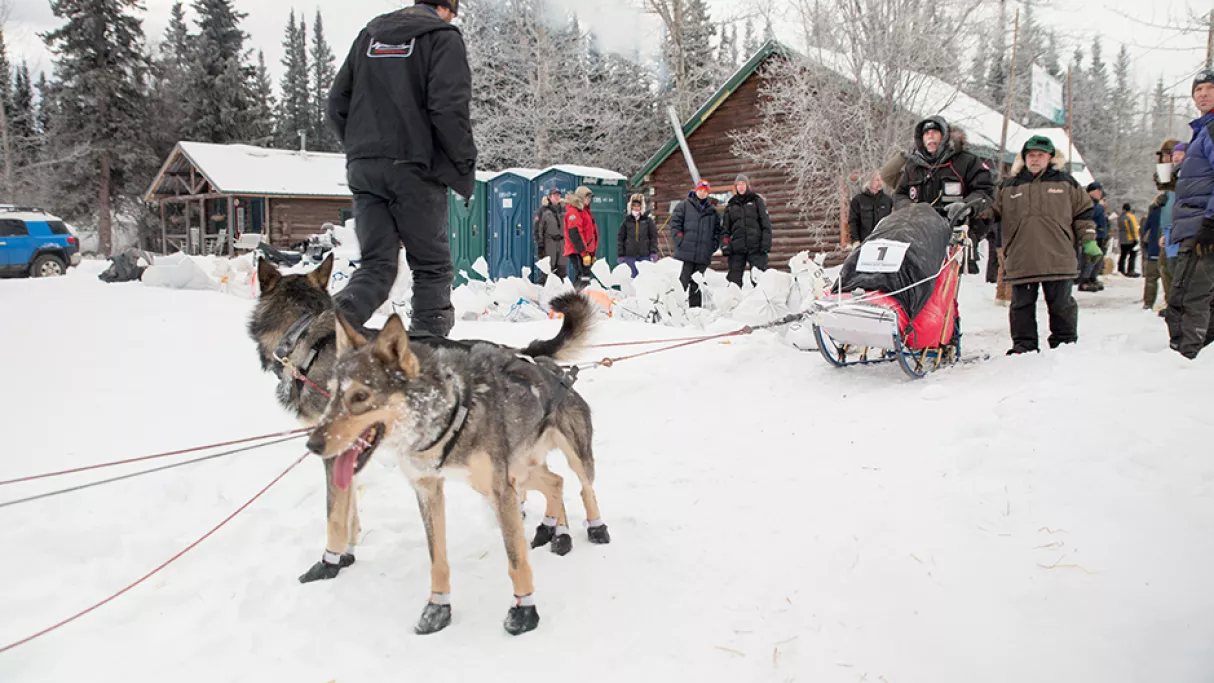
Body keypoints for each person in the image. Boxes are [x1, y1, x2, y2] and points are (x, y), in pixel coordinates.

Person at [327, 0, 475, 338]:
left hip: (364, 170)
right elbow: (448, 109)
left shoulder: (369, 35)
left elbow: (336, 104)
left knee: (376, 267)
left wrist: (362, 150)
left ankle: (323, 333)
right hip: (415, 170)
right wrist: (462, 166)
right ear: (447, 8)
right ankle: (428, 349)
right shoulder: (442, 37)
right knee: (431, 267)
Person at [991, 135, 1098, 355]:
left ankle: (1065, 345)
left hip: (1058, 256)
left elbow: (1084, 214)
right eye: (1031, 155)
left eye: (1040, 155)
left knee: (1061, 305)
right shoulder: (1008, 186)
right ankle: (1024, 346)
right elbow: (991, 212)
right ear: (1024, 158)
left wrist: (1089, 241)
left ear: (1050, 158)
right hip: (1021, 257)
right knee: (1021, 306)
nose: (1035, 159)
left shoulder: (1066, 183)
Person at [1165, 68, 1214, 360]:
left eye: (1210, 88)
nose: (1203, 94)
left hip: (1202, 227)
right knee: (1205, 299)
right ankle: (1202, 360)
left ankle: (1184, 360)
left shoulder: (1211, 129)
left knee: (1185, 299)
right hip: (1197, 224)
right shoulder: (1202, 131)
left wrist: (1210, 222)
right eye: (1198, 90)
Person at [894, 116, 994, 232]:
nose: (930, 136)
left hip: (956, 230)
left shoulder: (967, 161)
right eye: (926, 133)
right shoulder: (913, 166)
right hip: (918, 231)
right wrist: (908, 208)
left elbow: (985, 190)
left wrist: (966, 206)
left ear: (945, 135)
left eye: (935, 132)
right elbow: (900, 194)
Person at [670, 179, 722, 308]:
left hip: (703, 253)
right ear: (696, 190)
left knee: (697, 282)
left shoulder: (712, 211)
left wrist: (713, 246)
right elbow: (675, 224)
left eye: (705, 191)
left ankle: (695, 310)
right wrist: (680, 239)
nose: (702, 193)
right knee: (683, 280)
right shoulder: (684, 206)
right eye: (700, 190)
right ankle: (675, 307)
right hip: (687, 251)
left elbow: (717, 231)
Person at [1144, 139, 1179, 311]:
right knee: (1164, 267)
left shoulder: (1185, 175)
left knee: (1175, 269)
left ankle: (1177, 305)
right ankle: (1171, 304)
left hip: (1180, 229)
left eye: (1169, 156)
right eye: (1164, 157)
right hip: (1167, 229)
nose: (1166, 160)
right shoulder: (1169, 182)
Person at [722, 174, 772, 287]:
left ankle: (761, 297)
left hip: (756, 247)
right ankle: (733, 297)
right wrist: (725, 244)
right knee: (734, 280)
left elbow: (766, 224)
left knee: (758, 280)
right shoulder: (731, 205)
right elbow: (725, 228)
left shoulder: (756, 201)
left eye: (743, 184)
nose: (740, 187)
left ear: (747, 185)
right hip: (737, 248)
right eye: (738, 184)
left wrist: (766, 244)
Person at [1161, 143, 1187, 299]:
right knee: (1171, 268)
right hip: (1170, 229)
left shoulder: (1189, 174)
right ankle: (1174, 302)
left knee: (1181, 270)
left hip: (1183, 228)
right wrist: (1165, 232)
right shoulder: (1171, 177)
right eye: (1174, 154)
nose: (1175, 157)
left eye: (1180, 154)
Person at [563, 185, 599, 290]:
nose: (589, 200)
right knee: (582, 276)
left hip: (585, 250)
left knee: (584, 275)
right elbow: (575, 234)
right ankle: (577, 294)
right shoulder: (574, 212)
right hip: (577, 250)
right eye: (587, 197)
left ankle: (578, 294)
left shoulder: (584, 211)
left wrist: (592, 253)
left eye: (590, 198)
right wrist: (584, 253)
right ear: (581, 197)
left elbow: (590, 232)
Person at [617, 194, 658, 278]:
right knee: (631, 278)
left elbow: (653, 237)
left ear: (641, 207)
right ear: (631, 207)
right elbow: (621, 238)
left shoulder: (647, 221)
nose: (636, 208)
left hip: (644, 255)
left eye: (638, 206)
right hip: (630, 256)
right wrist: (621, 254)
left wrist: (653, 252)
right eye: (634, 205)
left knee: (644, 278)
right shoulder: (627, 221)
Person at [848, 172, 893, 246]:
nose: (880, 182)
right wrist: (855, 240)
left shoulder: (888, 200)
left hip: (884, 243)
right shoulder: (858, 200)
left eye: (881, 180)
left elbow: (892, 222)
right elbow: (853, 222)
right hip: (865, 242)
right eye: (877, 180)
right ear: (869, 182)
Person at [1079, 182, 1109, 291]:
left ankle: (1092, 277)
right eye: (1098, 191)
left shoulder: (1097, 205)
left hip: (1100, 235)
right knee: (1089, 258)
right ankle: (1084, 280)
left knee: (1098, 259)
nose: (1100, 193)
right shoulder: (1088, 203)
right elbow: (1090, 215)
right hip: (1091, 234)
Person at [535, 187, 566, 281]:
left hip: (561, 243)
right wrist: (540, 246)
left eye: (558, 195)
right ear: (549, 197)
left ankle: (560, 288)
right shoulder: (543, 210)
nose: (557, 197)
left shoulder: (563, 209)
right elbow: (537, 229)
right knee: (547, 269)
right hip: (549, 242)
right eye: (554, 195)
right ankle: (542, 287)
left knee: (562, 269)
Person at [1117, 203, 1141, 277]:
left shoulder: (1120, 217)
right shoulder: (1130, 216)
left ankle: (1121, 270)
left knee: (1123, 255)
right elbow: (1132, 228)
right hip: (1130, 239)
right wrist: (1135, 238)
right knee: (1132, 255)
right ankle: (1130, 270)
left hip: (1122, 239)